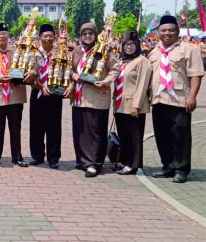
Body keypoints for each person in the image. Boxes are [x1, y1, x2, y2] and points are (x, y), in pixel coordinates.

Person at [148, 15, 204, 183]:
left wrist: (192, 96)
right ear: (158, 32)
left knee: (181, 135)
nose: (167, 33)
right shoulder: (154, 51)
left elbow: (196, 74)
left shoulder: (188, 49)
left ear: (177, 31)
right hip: (158, 99)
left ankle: (181, 169)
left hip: (179, 100)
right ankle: (168, 166)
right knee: (162, 135)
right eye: (163, 30)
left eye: (171, 30)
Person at [65, 22, 118, 178]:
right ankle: (82, 160)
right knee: (80, 130)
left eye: (90, 33)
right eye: (84, 34)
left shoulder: (105, 50)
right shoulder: (76, 51)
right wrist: (73, 75)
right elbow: (70, 67)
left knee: (96, 131)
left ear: (96, 35)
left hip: (97, 96)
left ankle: (95, 163)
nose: (87, 36)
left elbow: (115, 69)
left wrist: (106, 82)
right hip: (79, 97)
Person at [0, 23, 30, 167]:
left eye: (4, 33)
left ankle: (17, 156)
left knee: (16, 128)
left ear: (8, 35)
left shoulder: (18, 52)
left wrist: (28, 74)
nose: (1, 36)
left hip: (15, 95)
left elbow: (26, 69)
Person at [112, 31, 152, 175]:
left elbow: (142, 84)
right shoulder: (122, 61)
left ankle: (133, 164)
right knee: (124, 136)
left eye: (132, 44)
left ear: (137, 45)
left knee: (134, 137)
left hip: (133, 106)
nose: (129, 47)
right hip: (120, 105)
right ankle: (125, 161)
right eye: (126, 44)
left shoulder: (142, 61)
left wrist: (136, 105)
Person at [29, 23, 63, 169]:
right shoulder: (33, 53)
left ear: (54, 37)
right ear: (39, 37)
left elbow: (65, 72)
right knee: (36, 126)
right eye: (45, 36)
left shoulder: (60, 53)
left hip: (55, 93)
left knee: (54, 126)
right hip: (37, 92)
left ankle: (53, 158)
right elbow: (29, 75)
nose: (48, 38)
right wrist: (41, 86)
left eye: (50, 36)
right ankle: (37, 156)